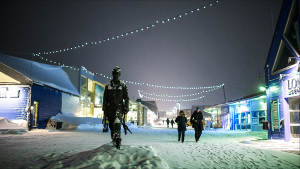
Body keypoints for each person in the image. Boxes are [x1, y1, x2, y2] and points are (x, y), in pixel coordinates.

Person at [102, 66, 129, 149]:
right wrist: (104, 109)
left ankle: (117, 139)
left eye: (117, 74)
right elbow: (105, 99)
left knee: (117, 123)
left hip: (119, 109)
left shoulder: (122, 85)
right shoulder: (108, 86)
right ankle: (114, 139)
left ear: (119, 74)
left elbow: (126, 98)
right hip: (110, 110)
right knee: (111, 126)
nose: (115, 75)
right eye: (114, 74)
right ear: (112, 74)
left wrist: (126, 107)